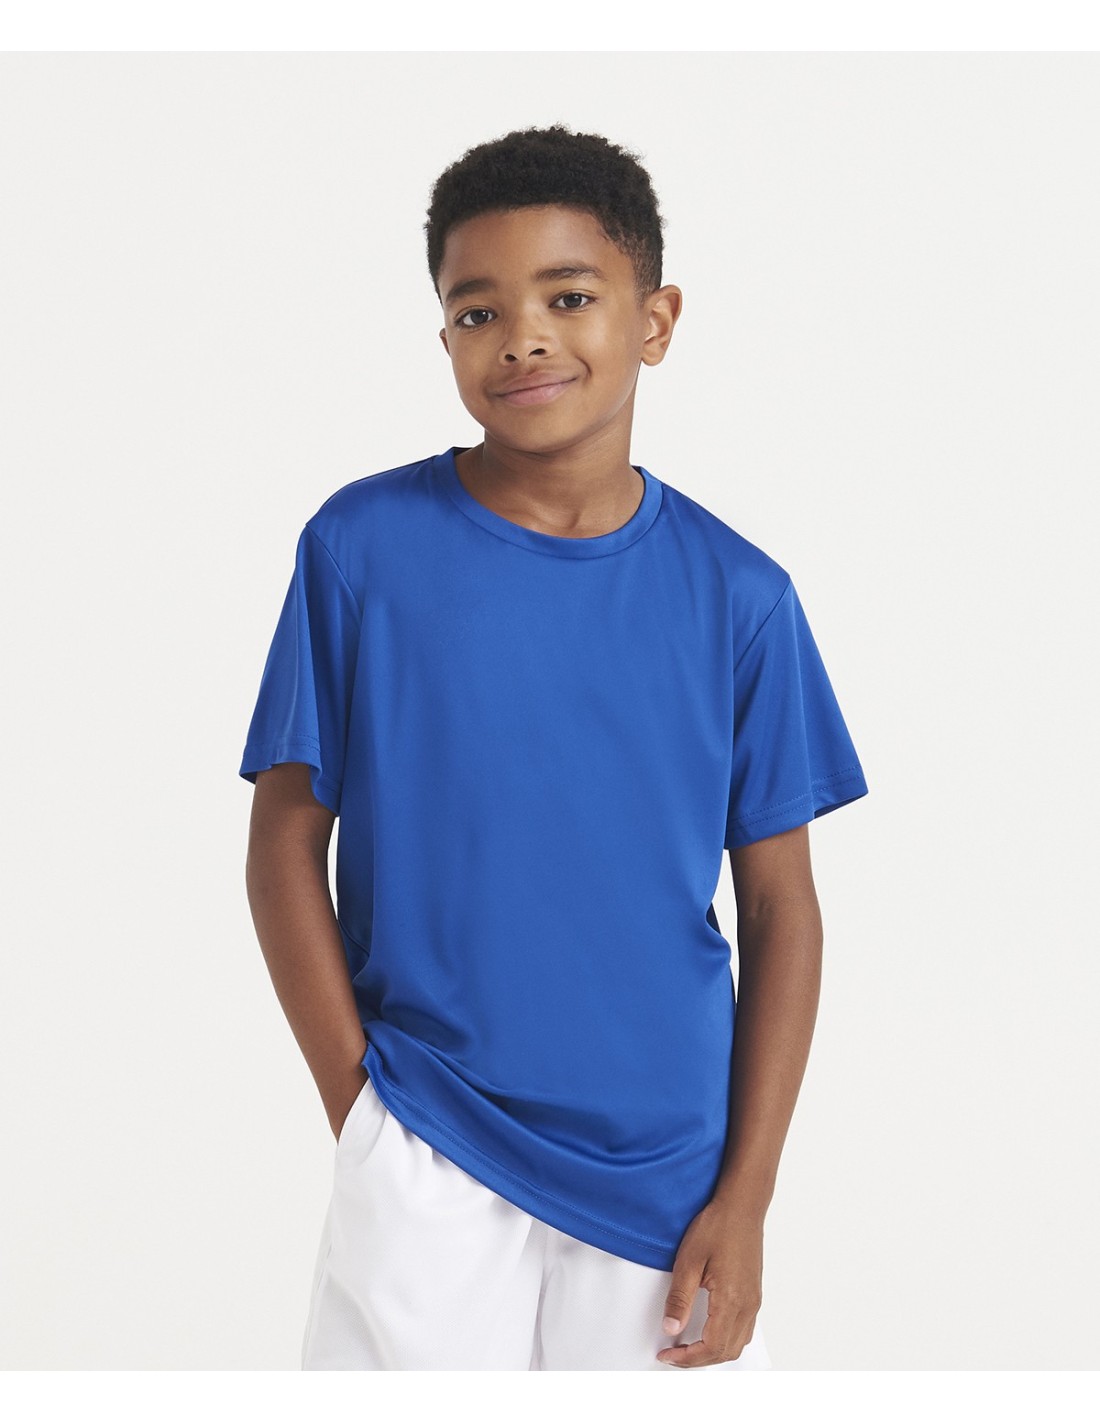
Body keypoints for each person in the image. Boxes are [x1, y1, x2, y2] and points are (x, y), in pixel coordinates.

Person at [238, 123, 869, 1372]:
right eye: (477, 312)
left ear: (655, 320)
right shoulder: (361, 549)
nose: (521, 337)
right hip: (426, 1134)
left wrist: (745, 1198)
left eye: (567, 297)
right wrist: (361, 1109)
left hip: (666, 1174)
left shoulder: (739, 597)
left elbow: (780, 908)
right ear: (444, 341)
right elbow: (282, 848)